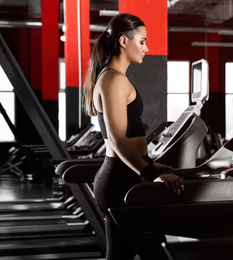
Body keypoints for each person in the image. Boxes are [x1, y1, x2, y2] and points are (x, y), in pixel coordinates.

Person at [84, 13, 184, 259]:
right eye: (142, 41)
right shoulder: (114, 80)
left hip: (122, 177)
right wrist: (149, 174)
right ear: (123, 41)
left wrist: (148, 162)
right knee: (160, 254)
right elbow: (118, 140)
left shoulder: (112, 77)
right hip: (121, 182)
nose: (147, 48)